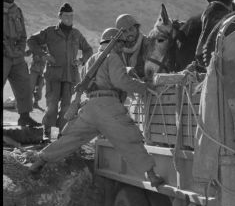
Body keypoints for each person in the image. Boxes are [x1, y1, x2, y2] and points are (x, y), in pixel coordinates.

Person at [29, 27, 165, 188]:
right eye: (121, 44)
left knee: (71, 139)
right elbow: (121, 81)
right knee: (130, 139)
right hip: (108, 105)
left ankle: (40, 161)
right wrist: (144, 87)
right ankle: (152, 175)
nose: (122, 47)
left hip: (90, 106)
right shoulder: (113, 57)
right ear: (115, 43)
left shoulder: (91, 60)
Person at [27, 2, 93, 141]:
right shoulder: (50, 31)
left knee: (66, 107)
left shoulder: (76, 33)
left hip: (70, 76)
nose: (69, 18)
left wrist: (81, 60)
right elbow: (31, 40)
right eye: (66, 15)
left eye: (71, 15)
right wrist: (44, 55)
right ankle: (46, 132)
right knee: (51, 105)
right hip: (53, 75)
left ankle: (62, 134)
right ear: (60, 16)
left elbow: (88, 49)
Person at [3, 0, 41, 127]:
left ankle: (24, 117)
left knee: (24, 85)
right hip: (4, 54)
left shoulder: (17, 11)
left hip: (17, 56)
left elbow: (23, 35)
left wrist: (19, 49)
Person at [115, 13, 149, 79]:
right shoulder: (118, 47)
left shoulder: (147, 43)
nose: (129, 33)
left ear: (136, 28)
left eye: (131, 29)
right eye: (125, 31)